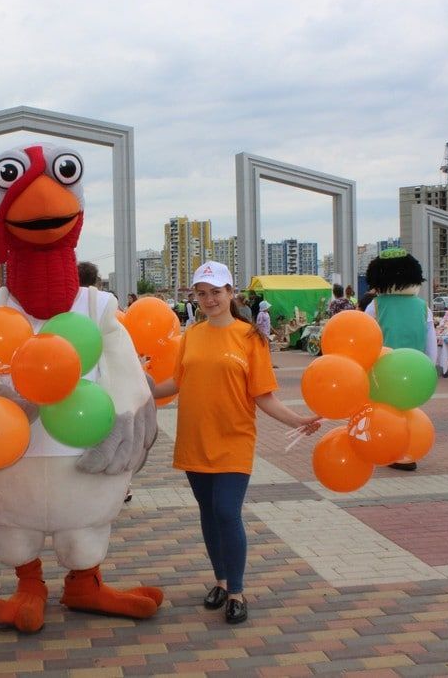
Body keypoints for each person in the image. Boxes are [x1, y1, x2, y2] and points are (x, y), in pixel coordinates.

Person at [151, 261, 320, 624]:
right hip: (194, 438)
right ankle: (220, 580)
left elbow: (263, 395)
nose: (209, 299)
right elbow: (174, 385)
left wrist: (298, 420)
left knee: (227, 511)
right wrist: (140, 382)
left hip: (234, 439)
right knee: (209, 515)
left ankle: (237, 591)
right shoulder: (191, 335)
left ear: (231, 293)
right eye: (201, 293)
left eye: (216, 291)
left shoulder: (249, 338)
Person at [364, 248, 437, 472]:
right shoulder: (424, 307)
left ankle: (389, 448)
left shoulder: (375, 306)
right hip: (415, 371)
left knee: (385, 412)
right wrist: (429, 368)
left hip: (383, 370)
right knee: (409, 411)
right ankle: (408, 449)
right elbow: (431, 343)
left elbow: (366, 338)